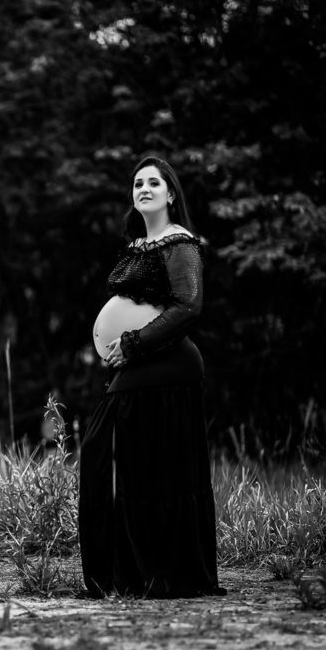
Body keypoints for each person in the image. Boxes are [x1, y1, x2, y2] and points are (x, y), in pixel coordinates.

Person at [78, 156, 225, 598]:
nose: (143, 188)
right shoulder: (139, 244)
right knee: (129, 463)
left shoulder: (180, 242)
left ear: (171, 194)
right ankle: (134, 573)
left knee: (107, 450)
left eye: (154, 183)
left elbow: (188, 306)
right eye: (138, 183)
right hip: (142, 364)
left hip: (170, 365)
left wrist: (134, 343)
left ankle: (154, 573)